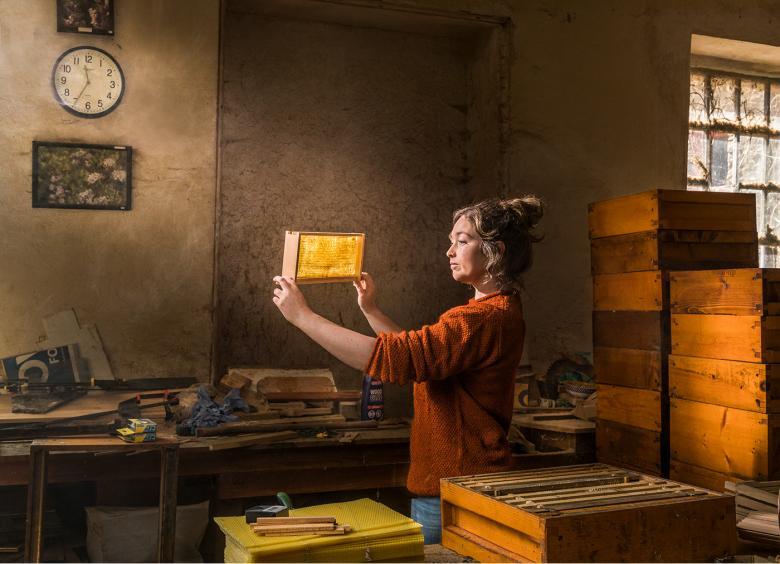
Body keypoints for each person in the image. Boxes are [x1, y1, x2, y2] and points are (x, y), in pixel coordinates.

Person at [272, 196, 543, 544]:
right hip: (462, 484)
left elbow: (398, 359)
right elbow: (424, 361)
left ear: (495, 251)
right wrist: (370, 309)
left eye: (462, 241)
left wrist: (303, 317)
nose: (449, 251)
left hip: (459, 489)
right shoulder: (496, 312)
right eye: (451, 241)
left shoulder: (481, 319)